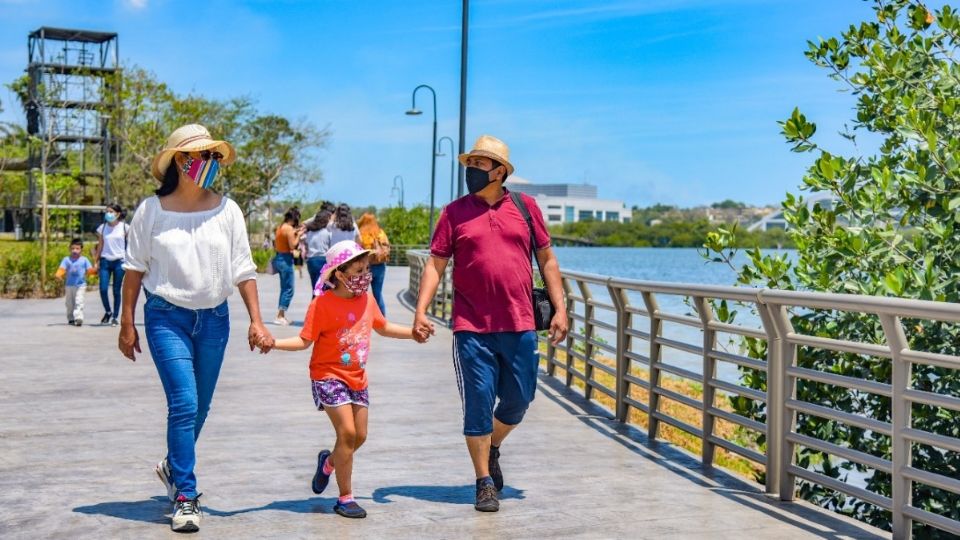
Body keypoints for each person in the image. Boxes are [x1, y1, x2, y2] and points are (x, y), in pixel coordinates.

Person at [118, 123, 275, 533]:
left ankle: (173, 465)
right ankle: (186, 496)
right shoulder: (150, 211)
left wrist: (257, 320)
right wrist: (126, 323)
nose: (211, 163)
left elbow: (244, 268)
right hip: (165, 316)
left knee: (200, 407)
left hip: (214, 320)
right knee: (184, 403)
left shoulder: (228, 210)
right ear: (181, 161)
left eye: (214, 156)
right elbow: (133, 270)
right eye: (203, 156)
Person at [414, 135, 569, 513]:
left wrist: (561, 309)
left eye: (480, 165)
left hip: (520, 322)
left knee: (520, 398)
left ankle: (494, 445)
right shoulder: (453, 213)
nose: (472, 171)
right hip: (471, 326)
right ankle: (483, 480)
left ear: (499, 172)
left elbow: (547, 260)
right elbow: (436, 264)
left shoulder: (525, 207)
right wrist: (421, 310)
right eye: (471, 164)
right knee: (478, 404)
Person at [271, 240, 426, 519]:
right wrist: (274, 343)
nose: (365, 275)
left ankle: (328, 463)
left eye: (367, 268)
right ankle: (345, 498)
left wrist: (413, 332)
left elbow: (384, 327)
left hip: (357, 378)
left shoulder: (367, 300)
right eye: (358, 269)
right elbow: (304, 341)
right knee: (348, 434)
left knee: (360, 436)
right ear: (339, 274)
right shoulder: (322, 305)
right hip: (327, 375)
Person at [93, 203, 128, 326]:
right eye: (107, 211)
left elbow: (130, 245)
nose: (109, 214)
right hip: (105, 261)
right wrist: (95, 261)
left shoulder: (125, 227)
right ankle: (108, 311)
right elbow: (100, 245)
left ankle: (115, 316)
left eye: (111, 211)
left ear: (118, 214)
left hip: (120, 261)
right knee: (103, 289)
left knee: (116, 290)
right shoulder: (102, 228)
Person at [274, 207, 304, 325]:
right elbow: (293, 246)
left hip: (279, 257)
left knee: (284, 287)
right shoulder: (289, 229)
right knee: (289, 289)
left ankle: (281, 315)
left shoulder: (280, 227)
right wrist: (299, 235)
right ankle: (280, 315)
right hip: (286, 259)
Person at [56, 238, 95, 326]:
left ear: (81, 249)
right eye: (73, 248)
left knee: (79, 301)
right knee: (69, 304)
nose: (75, 250)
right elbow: (62, 268)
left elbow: (89, 270)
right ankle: (70, 318)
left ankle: (78, 318)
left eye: (77, 249)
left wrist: (94, 272)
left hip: (81, 285)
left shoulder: (84, 260)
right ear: (70, 249)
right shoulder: (66, 259)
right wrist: (58, 274)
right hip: (69, 285)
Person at [357, 213, 390, 315]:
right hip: (380, 266)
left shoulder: (361, 234)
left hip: (365, 267)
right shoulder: (380, 233)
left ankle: (361, 318)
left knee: (361, 294)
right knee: (378, 294)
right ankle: (382, 319)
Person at [304, 209, 333, 289]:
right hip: (322, 260)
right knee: (322, 288)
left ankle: (314, 301)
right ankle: (318, 301)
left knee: (315, 287)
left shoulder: (309, 233)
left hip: (311, 261)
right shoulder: (327, 233)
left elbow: (306, 246)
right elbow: (330, 248)